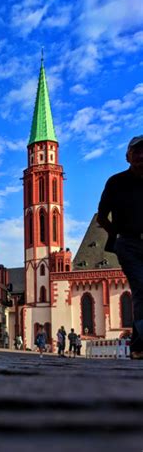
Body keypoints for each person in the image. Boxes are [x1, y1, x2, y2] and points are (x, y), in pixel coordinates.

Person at [97, 135, 143, 360]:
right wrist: (116, 235)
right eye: (137, 151)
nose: (141, 156)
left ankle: (137, 345)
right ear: (128, 156)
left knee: (140, 292)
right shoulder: (116, 182)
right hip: (128, 243)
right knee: (141, 287)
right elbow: (101, 216)